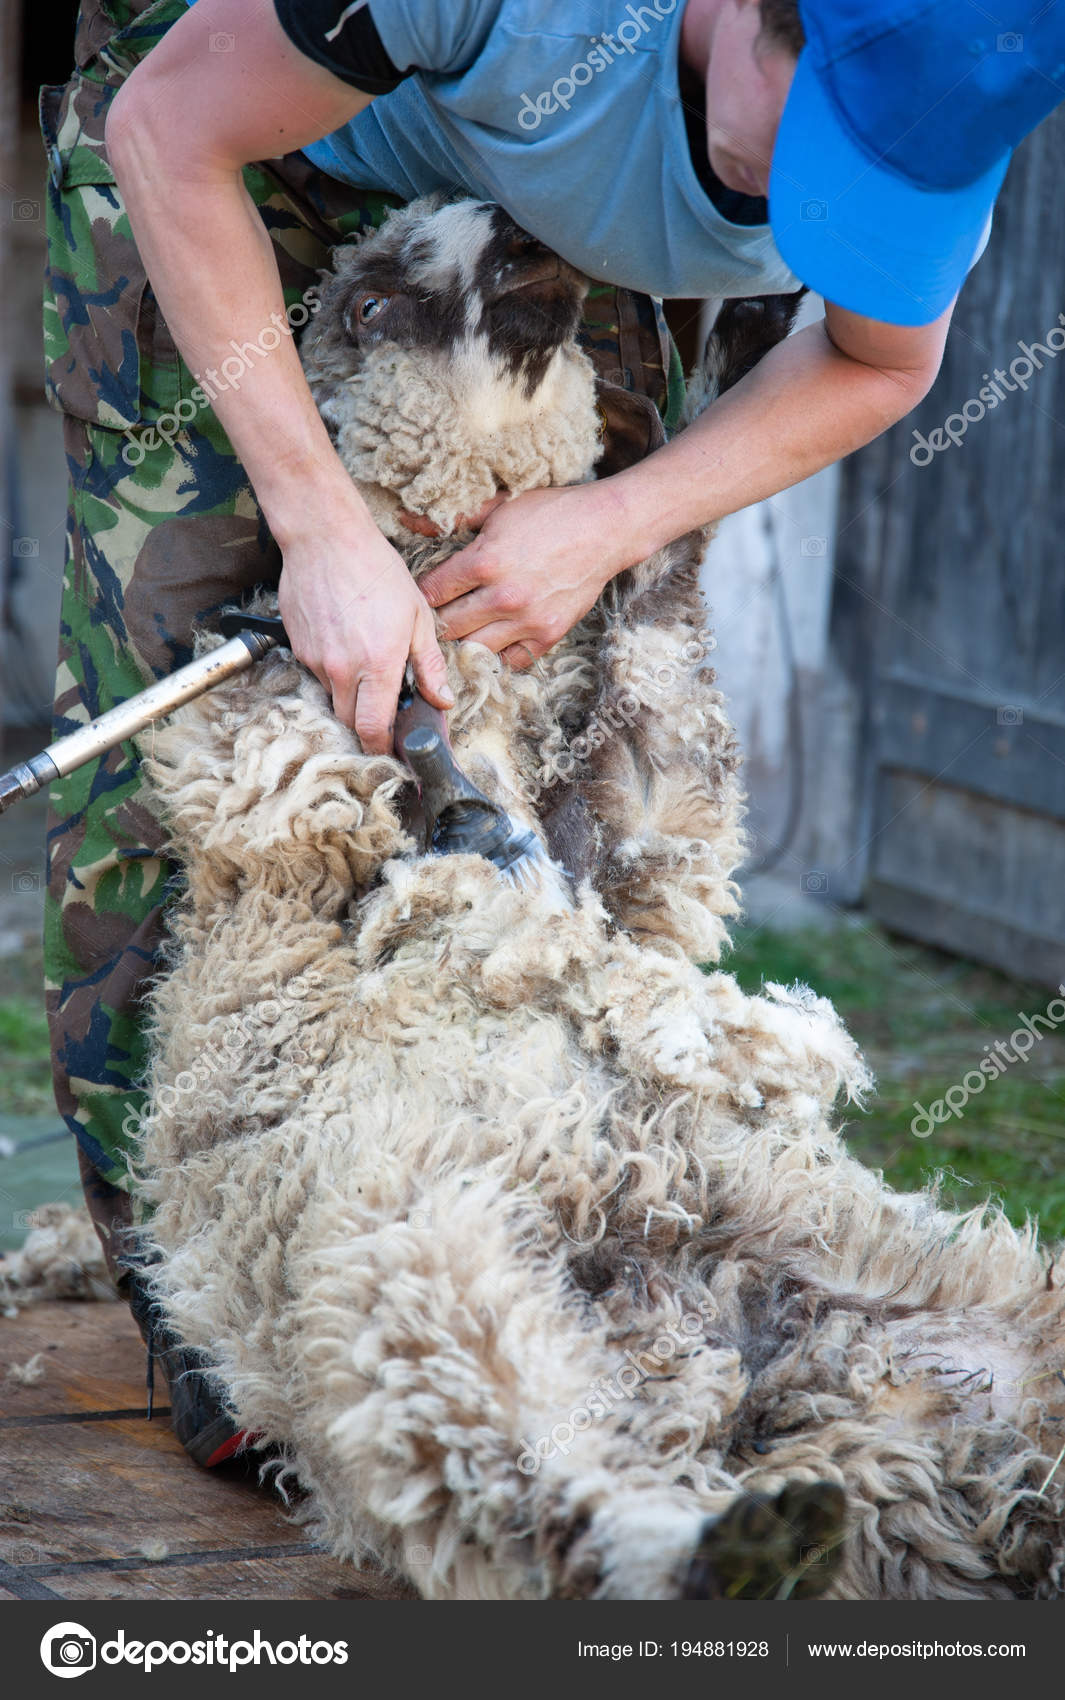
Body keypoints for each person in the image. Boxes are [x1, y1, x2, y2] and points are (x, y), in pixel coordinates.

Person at [41, 0, 1064, 1461]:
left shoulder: (943, 91)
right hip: (236, 152)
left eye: (870, 185)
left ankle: (541, 1216)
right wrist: (323, 531)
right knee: (223, 750)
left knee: (561, 722)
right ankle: (221, 1286)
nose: (812, 204)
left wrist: (604, 524)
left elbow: (879, 360)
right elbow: (167, 131)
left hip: (551, 221)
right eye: (820, 145)